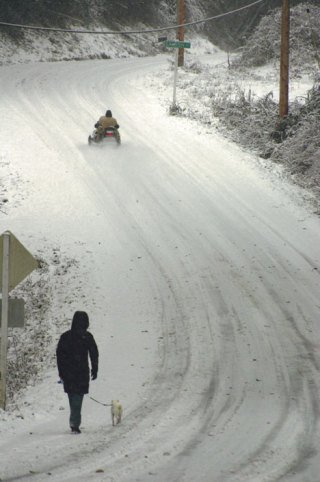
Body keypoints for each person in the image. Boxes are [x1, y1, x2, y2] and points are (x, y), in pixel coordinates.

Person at [56, 311, 99, 434]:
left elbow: (60, 355)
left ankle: (74, 420)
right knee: (78, 397)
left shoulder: (66, 336)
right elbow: (94, 353)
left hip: (69, 372)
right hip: (81, 372)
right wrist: (95, 368)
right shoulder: (87, 336)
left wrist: (61, 371)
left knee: (73, 396)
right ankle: (75, 422)